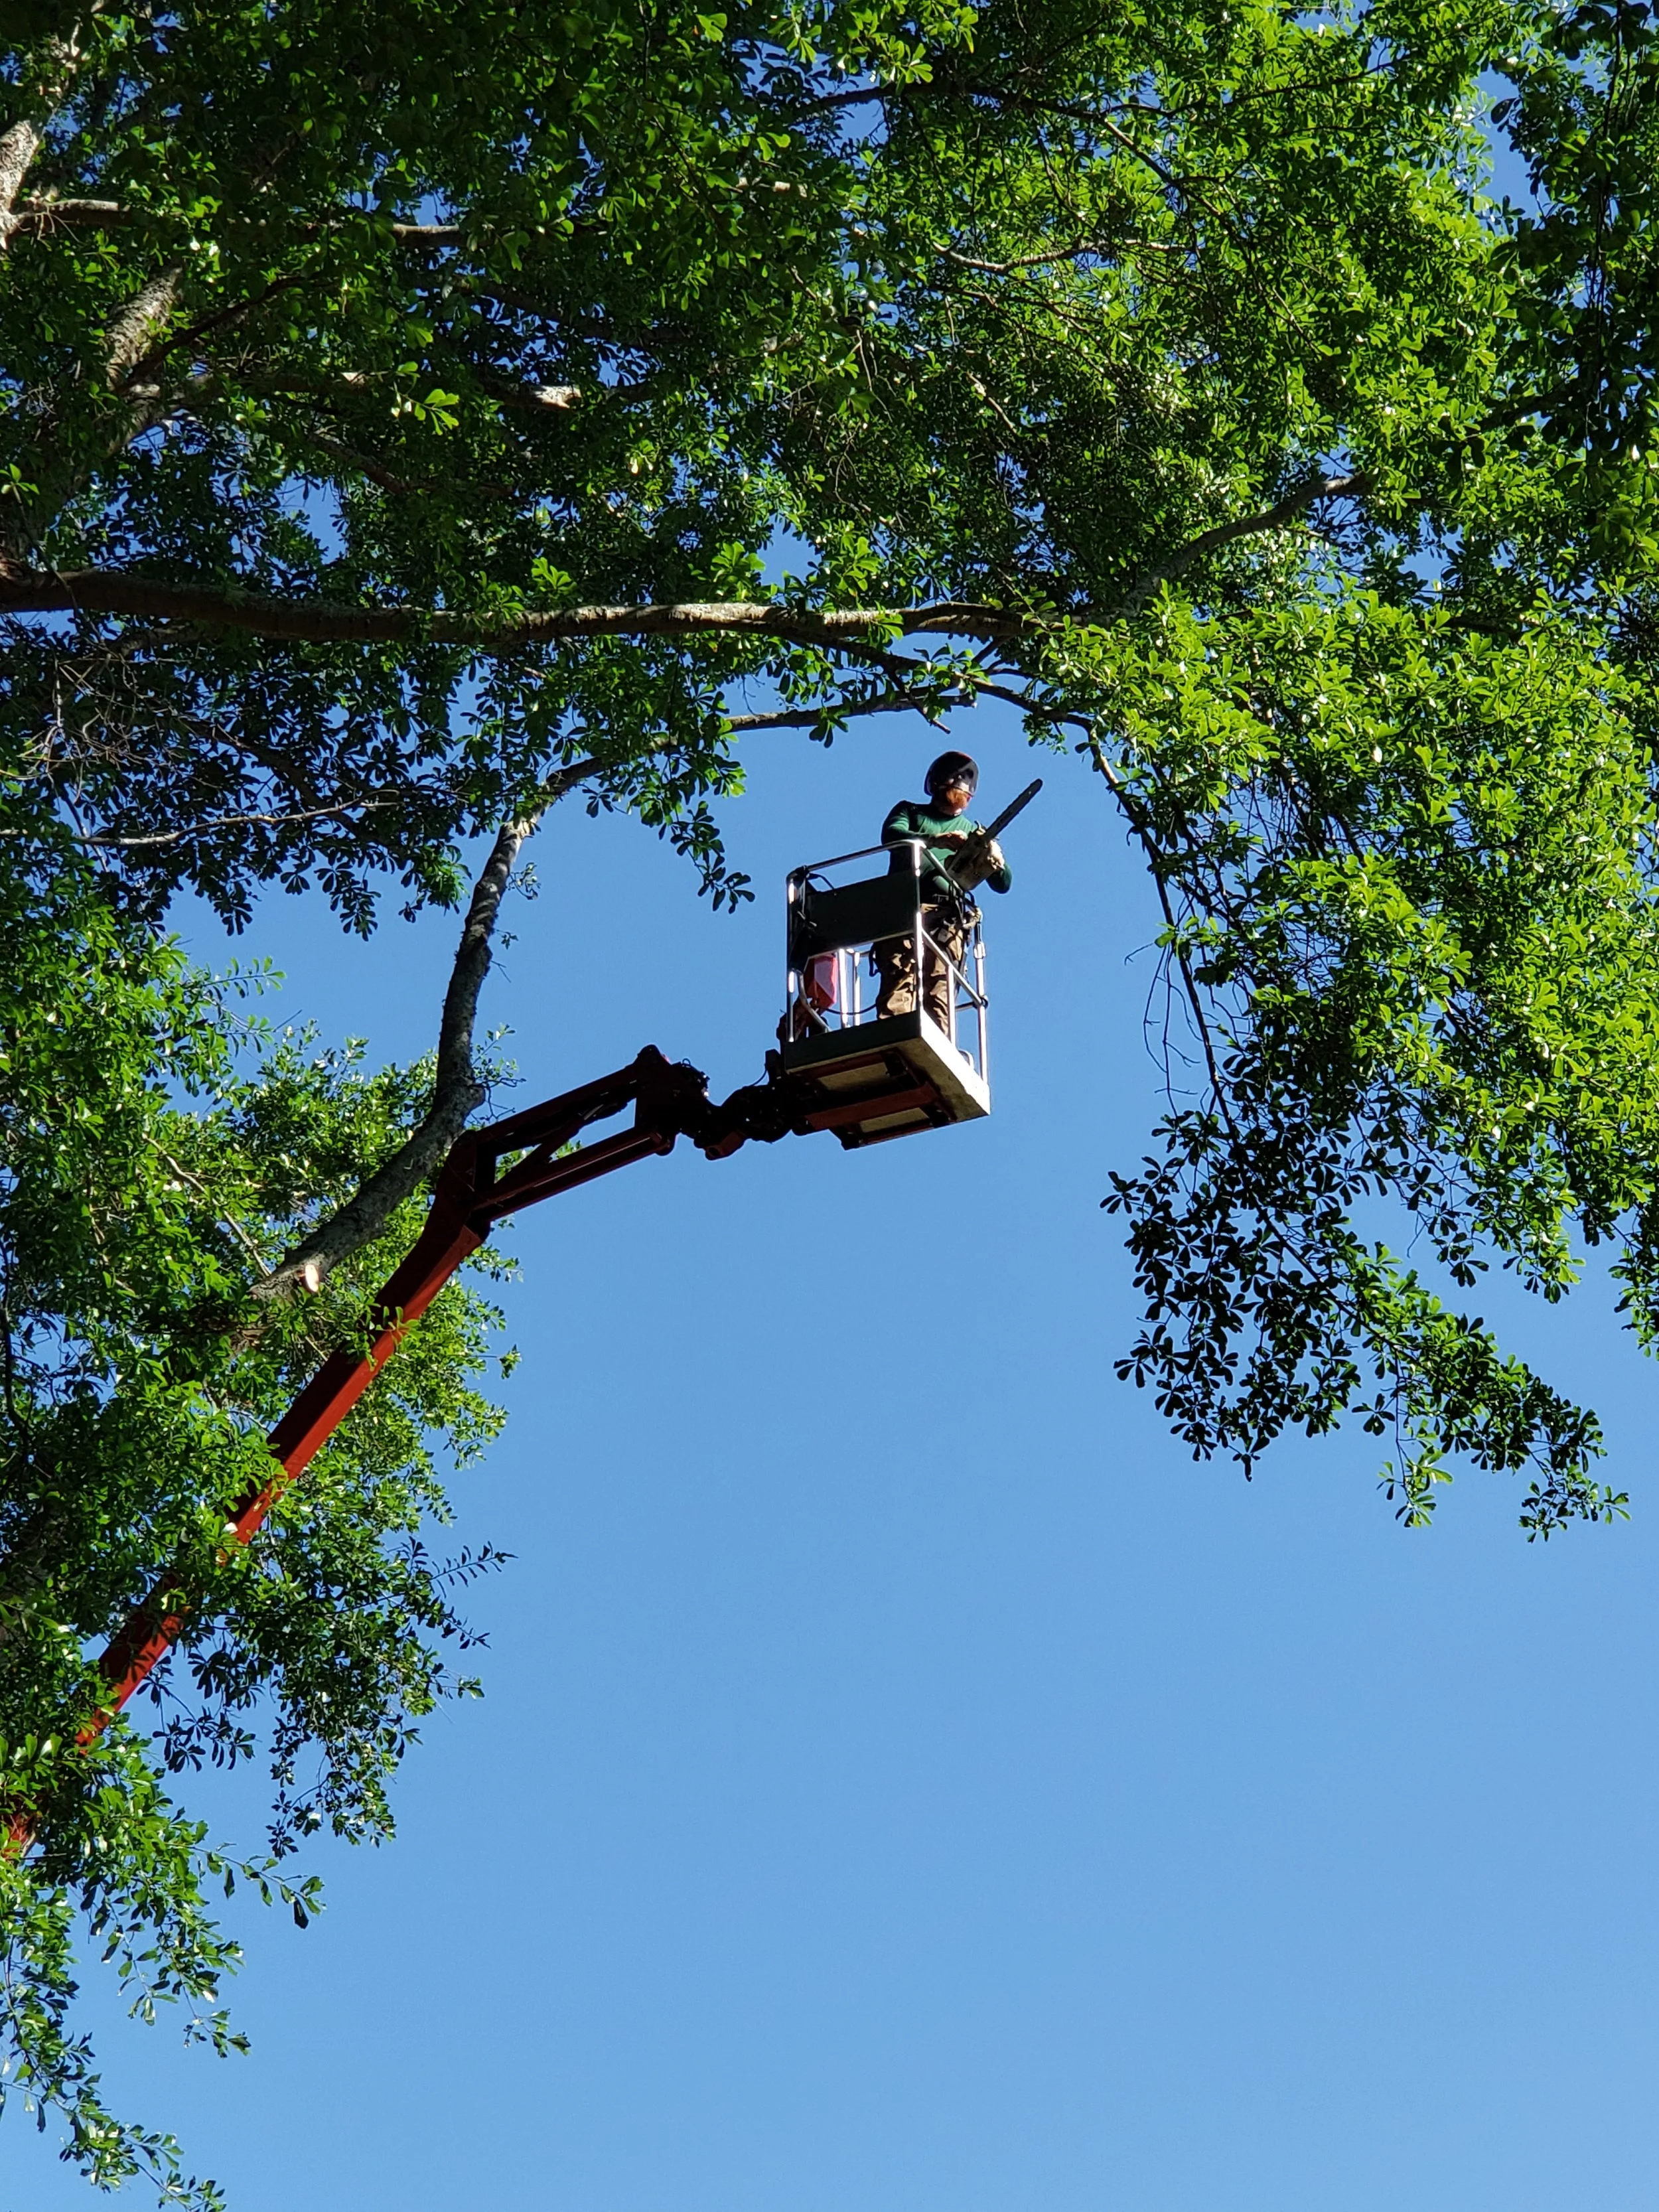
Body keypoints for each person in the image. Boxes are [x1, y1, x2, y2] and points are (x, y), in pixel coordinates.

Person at [875, 751, 1011, 1032]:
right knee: (901, 976)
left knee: (940, 986)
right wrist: (934, 840)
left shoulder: (976, 832)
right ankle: (896, 1037)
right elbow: (891, 835)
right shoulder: (911, 812)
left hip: (947, 917)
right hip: (903, 908)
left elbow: (1003, 884)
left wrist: (994, 860)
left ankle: (937, 1044)